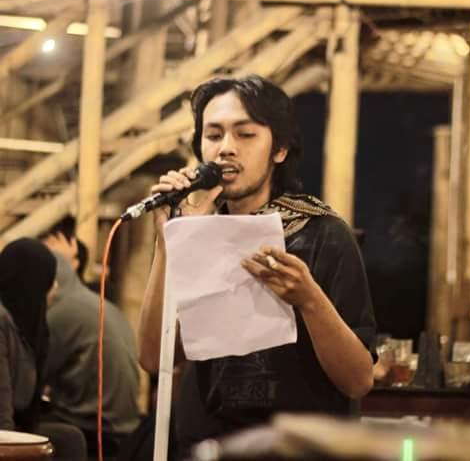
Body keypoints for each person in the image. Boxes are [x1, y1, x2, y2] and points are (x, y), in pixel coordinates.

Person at [138, 75, 377, 456]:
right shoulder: (197, 228)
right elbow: (154, 357)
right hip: (207, 445)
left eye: (245, 134)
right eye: (213, 135)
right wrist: (168, 243)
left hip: (294, 448)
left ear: (279, 149)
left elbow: (358, 380)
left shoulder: (323, 233)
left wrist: (309, 299)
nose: (226, 148)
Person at [42, 219, 141, 458]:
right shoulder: (95, 303)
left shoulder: (62, 309)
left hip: (95, 428)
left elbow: (33, 376)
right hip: (126, 426)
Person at [0, 238, 87, 459]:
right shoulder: (1, 322)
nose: (55, 288)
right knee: (69, 440)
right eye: (49, 279)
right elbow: (2, 414)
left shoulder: (28, 328)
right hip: (4, 433)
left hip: (17, 424)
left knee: (69, 437)